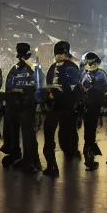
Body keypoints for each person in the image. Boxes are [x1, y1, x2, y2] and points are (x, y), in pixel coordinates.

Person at [39, 41, 80, 176]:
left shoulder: (72, 68)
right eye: (58, 54)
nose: (59, 56)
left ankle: (70, 153)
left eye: (61, 53)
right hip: (55, 106)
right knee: (52, 132)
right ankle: (54, 164)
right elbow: (50, 83)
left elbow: (75, 87)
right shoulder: (54, 67)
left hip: (66, 106)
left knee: (67, 130)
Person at [3, 43, 42, 173]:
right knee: (21, 133)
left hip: (27, 105)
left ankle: (32, 161)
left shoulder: (33, 68)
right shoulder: (16, 68)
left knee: (28, 134)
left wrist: (21, 91)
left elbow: (39, 85)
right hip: (19, 105)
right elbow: (9, 87)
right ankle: (26, 159)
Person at [79, 52, 107, 171]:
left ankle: (89, 156)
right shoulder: (96, 73)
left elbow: (101, 90)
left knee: (89, 132)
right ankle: (89, 158)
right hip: (90, 106)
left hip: (91, 106)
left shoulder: (97, 74)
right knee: (89, 132)